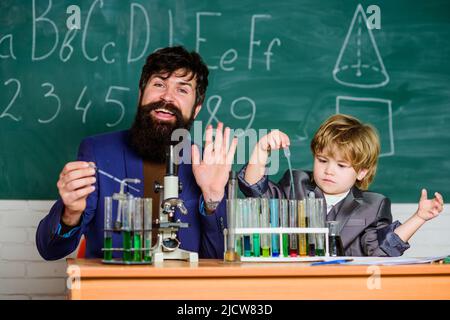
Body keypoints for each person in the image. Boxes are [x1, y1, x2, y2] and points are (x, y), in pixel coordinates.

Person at [36, 46, 237, 260]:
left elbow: (219, 259)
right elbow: (50, 250)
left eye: (182, 89)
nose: (167, 97)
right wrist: (71, 214)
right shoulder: (97, 152)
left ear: (196, 108)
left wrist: (212, 198)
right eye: (159, 84)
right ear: (141, 94)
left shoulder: (210, 165)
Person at [238, 114, 444, 256]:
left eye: (342, 165)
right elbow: (256, 190)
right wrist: (261, 149)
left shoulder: (373, 206)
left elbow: (382, 250)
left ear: (361, 171)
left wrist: (418, 218)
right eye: (322, 160)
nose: (329, 170)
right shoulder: (296, 184)